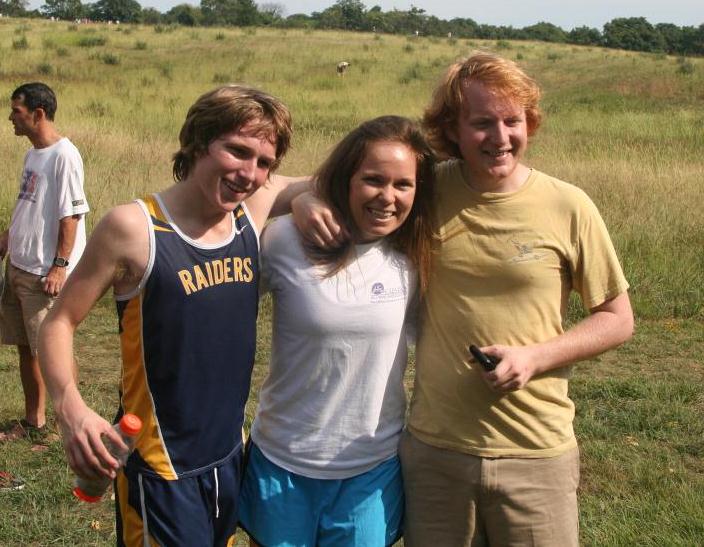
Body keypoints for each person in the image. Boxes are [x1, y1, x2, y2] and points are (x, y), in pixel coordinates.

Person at [292, 53, 634, 546]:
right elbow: (335, 186)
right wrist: (306, 199)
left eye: (512, 120)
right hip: (436, 454)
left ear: (529, 122)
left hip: (535, 452)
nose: (500, 137)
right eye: (482, 123)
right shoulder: (424, 190)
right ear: (452, 128)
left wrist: (535, 357)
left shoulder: (569, 205)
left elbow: (618, 318)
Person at [39, 84, 298, 546]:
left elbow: (344, 177)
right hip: (161, 467)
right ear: (198, 142)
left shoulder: (249, 213)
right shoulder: (134, 228)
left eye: (264, 163)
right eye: (237, 151)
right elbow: (59, 322)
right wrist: (70, 407)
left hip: (229, 455)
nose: (249, 174)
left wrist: (309, 199)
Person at [238, 116, 436, 547]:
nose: (387, 197)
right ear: (346, 177)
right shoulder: (286, 238)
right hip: (283, 459)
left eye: (403, 184)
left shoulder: (416, 256)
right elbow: (239, 202)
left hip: (371, 466)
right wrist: (302, 196)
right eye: (373, 180)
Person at [0, 82, 89, 442]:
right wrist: (8, 237)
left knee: (54, 353)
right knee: (27, 348)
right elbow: (30, 204)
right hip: (19, 266)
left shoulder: (64, 155)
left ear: (38, 114)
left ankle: (65, 429)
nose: (10, 117)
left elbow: (72, 216)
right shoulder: (33, 154)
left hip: (42, 274)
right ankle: (33, 422)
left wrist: (59, 266)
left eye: (16, 111)